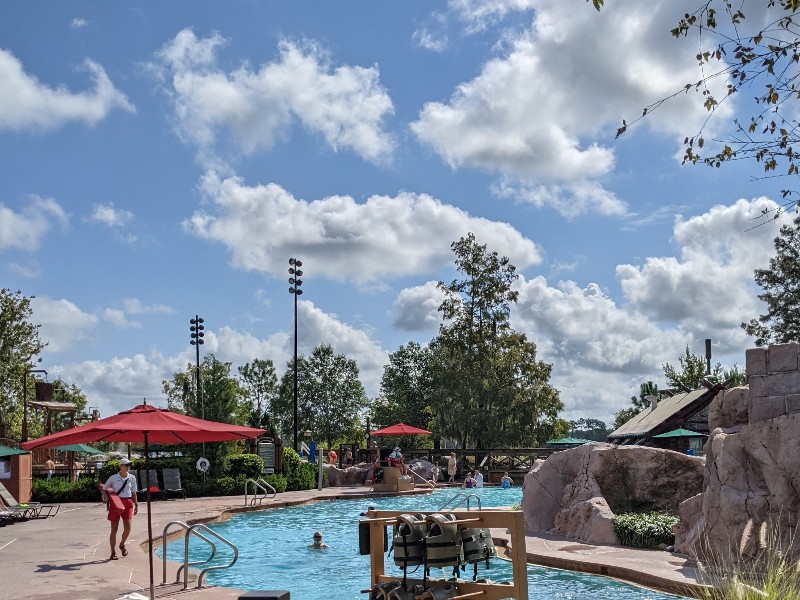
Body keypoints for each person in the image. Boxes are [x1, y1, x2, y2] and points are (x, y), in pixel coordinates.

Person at [103, 458, 138, 560]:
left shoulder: (132, 478)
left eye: (129, 465)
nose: (128, 467)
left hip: (128, 503)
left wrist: (136, 505)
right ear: (120, 466)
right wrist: (105, 496)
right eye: (126, 465)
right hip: (116, 503)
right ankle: (113, 552)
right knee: (114, 529)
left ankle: (122, 544)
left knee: (128, 528)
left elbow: (134, 493)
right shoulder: (113, 478)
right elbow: (104, 489)